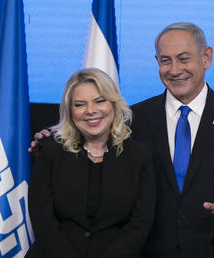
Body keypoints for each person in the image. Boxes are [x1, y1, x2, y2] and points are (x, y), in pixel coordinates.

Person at [30, 22, 214, 258]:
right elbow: (89, 165)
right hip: (146, 251)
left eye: (184, 58)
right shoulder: (131, 121)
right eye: (166, 60)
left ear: (206, 57)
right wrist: (50, 141)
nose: (175, 70)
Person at [25, 68, 156, 258]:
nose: (91, 111)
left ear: (113, 104)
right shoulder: (50, 151)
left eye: (100, 101)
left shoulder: (139, 155)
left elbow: (141, 223)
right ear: (70, 111)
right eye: (80, 104)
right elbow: (42, 219)